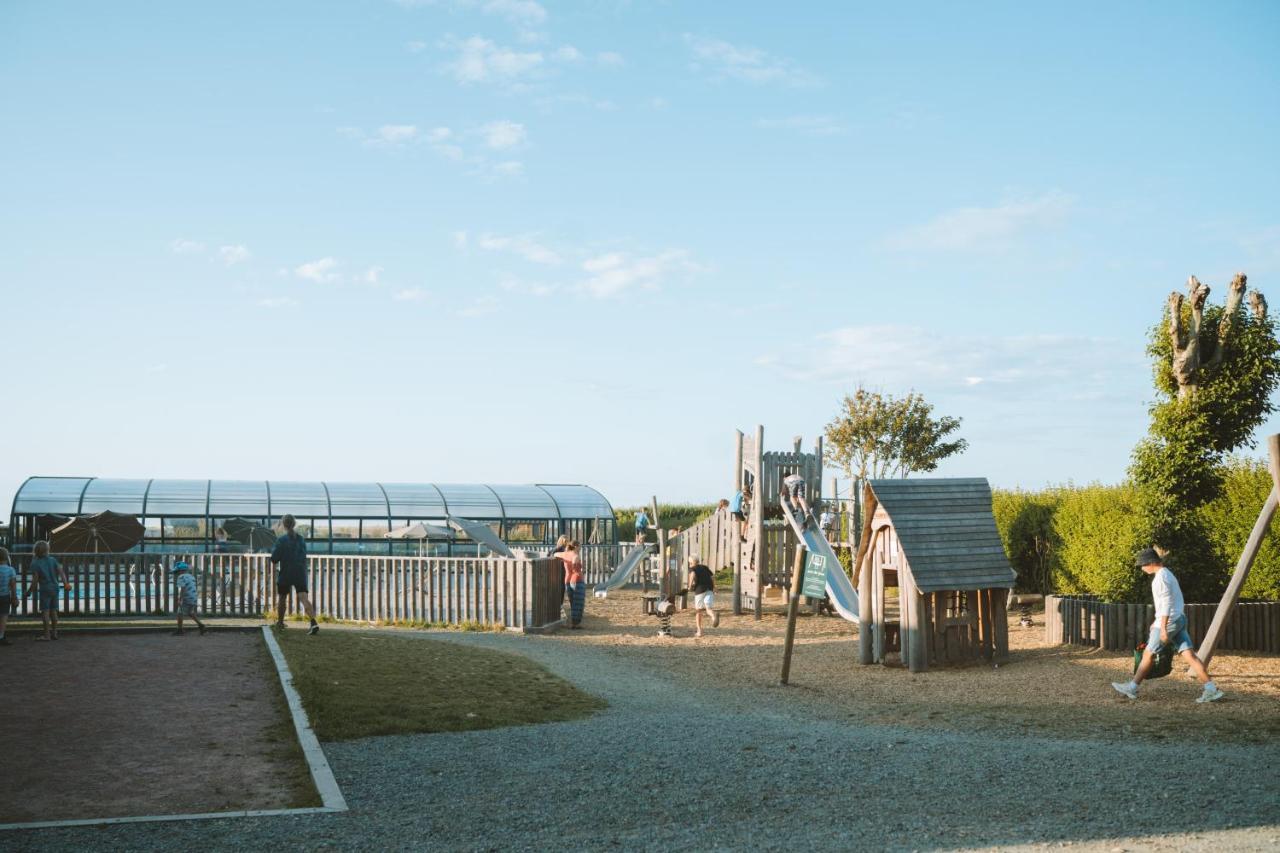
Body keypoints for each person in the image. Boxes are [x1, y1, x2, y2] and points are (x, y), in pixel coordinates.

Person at [1112, 548, 1224, 703]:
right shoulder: (1167, 574)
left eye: (1142, 565)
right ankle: (1211, 689)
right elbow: (1169, 602)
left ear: (1151, 563)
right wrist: (1157, 621)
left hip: (1170, 621)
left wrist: (1163, 627)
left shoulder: (1161, 578)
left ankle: (1132, 687)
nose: (1142, 568)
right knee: (1189, 655)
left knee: (1148, 653)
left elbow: (1166, 604)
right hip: (1178, 618)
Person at [270, 514, 319, 635]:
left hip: (286, 573)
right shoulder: (301, 539)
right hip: (300, 572)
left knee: (282, 598)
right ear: (294, 524)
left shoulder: (281, 540)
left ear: (283, 525)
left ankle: (280, 623)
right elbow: (303, 556)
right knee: (303, 598)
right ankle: (313, 623)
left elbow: (274, 559)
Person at [28, 540, 69, 641]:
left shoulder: (35, 563)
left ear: (36, 551)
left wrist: (29, 591)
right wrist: (66, 584)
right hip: (55, 588)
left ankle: (46, 635)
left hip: (45, 589)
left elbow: (35, 580)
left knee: (45, 612)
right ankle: (54, 633)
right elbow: (61, 573)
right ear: (47, 550)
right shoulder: (53, 560)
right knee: (54, 611)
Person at [685, 555, 719, 638]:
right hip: (709, 588)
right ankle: (713, 616)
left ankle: (699, 631)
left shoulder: (693, 569)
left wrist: (689, 586)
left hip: (700, 590)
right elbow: (712, 576)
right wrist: (714, 587)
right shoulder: (705, 567)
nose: (689, 564)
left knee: (698, 611)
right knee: (708, 608)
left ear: (692, 562)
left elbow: (692, 575)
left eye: (689, 563)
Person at [170, 561, 207, 636]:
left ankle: (180, 630)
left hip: (186, 597)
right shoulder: (191, 576)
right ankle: (201, 625)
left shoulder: (181, 577)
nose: (176, 574)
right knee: (190, 613)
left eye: (177, 572)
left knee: (179, 612)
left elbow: (182, 588)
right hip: (193, 597)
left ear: (180, 571)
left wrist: (180, 599)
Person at [555, 541, 586, 629]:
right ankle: (576, 624)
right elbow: (575, 567)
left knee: (573, 603)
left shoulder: (564, 554)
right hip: (577, 580)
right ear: (576, 546)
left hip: (567, 582)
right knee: (579, 603)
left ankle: (574, 623)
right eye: (580, 546)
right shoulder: (575, 555)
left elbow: (555, 554)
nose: (580, 548)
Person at [0, 548, 15, 646]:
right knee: (3, 617)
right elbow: (13, 585)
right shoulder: (10, 570)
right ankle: (1, 636)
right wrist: (14, 597)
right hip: (5, 596)